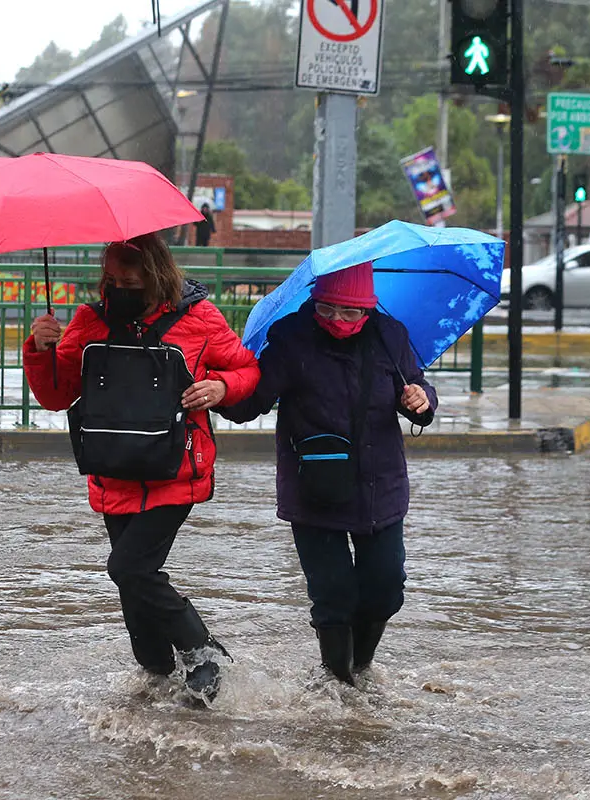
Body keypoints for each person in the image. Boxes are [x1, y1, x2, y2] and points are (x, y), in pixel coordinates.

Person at [23, 233, 259, 702]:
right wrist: (39, 347)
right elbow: (54, 395)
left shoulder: (200, 319)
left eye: (128, 280)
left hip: (175, 471)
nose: (117, 289)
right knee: (131, 582)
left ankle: (202, 649)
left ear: (155, 275)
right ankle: (156, 675)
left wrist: (220, 388)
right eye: (110, 279)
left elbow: (248, 370)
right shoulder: (88, 321)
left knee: (129, 568)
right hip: (114, 468)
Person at [220, 261, 436, 685]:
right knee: (333, 594)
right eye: (327, 309)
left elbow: (417, 388)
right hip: (313, 487)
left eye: (349, 312)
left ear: (368, 309)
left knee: (386, 588)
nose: (337, 320)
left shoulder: (391, 338)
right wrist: (223, 389)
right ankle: (339, 684)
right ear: (314, 302)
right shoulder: (291, 339)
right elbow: (252, 402)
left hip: (381, 485)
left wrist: (421, 400)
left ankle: (360, 668)